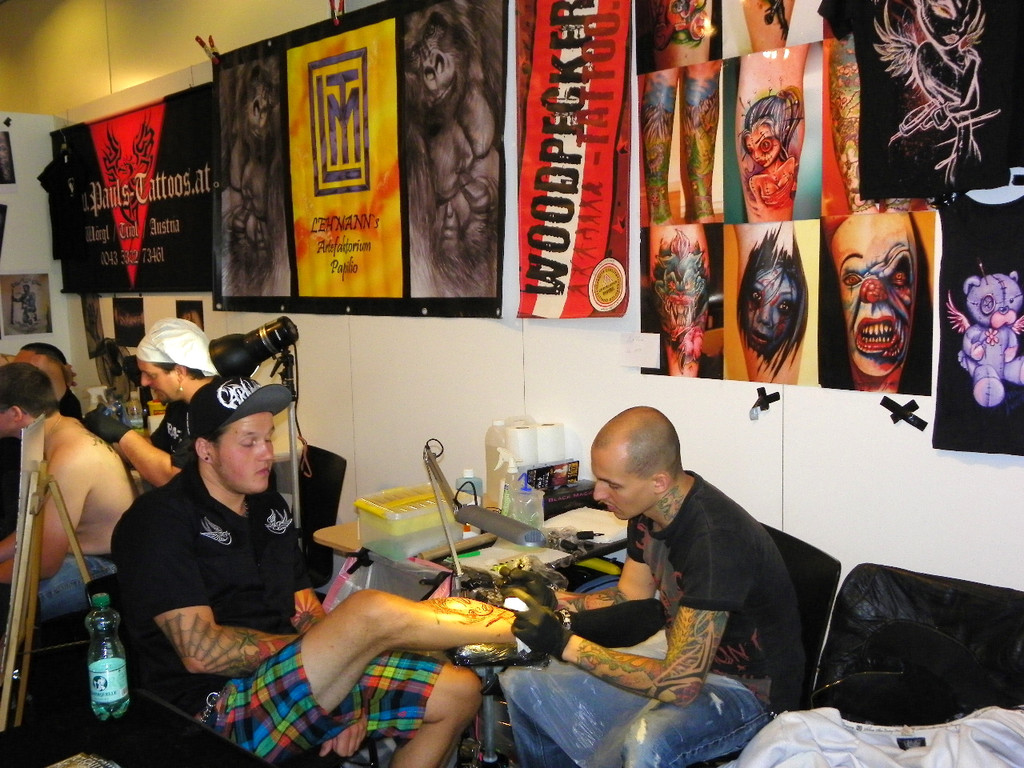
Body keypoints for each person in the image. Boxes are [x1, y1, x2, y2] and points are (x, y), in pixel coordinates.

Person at [110, 376, 524, 766]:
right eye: (249, 442)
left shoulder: (268, 507)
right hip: (210, 708)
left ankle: (522, 625)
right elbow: (201, 654)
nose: (266, 453)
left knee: (459, 692)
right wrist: (337, 658)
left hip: (297, 677)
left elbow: (305, 611)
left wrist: (341, 675)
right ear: (205, 449)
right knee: (366, 614)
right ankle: (528, 627)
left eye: (267, 438)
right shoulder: (157, 521)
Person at [499, 406, 804, 768]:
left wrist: (564, 643)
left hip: (751, 691)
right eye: (600, 479)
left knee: (647, 743)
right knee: (527, 683)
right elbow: (629, 595)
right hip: (682, 651)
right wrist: (554, 600)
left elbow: (681, 684)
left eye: (613, 485)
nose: (598, 494)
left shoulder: (714, 542)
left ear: (658, 482)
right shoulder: (647, 510)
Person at [0, 363, 136, 626]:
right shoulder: (53, 433)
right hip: (81, 557)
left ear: (16, 413)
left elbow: (46, 562)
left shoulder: (71, 455)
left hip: (103, 569)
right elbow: (29, 531)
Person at [84, 318, 217, 487]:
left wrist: (123, 434)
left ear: (179, 372)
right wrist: (108, 434)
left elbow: (174, 479)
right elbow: (153, 451)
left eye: (151, 375)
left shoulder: (213, 408)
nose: (144, 382)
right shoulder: (179, 402)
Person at [14, 342, 82, 419]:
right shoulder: (20, 398)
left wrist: (64, 371)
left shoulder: (65, 401)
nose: (15, 371)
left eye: (22, 366)